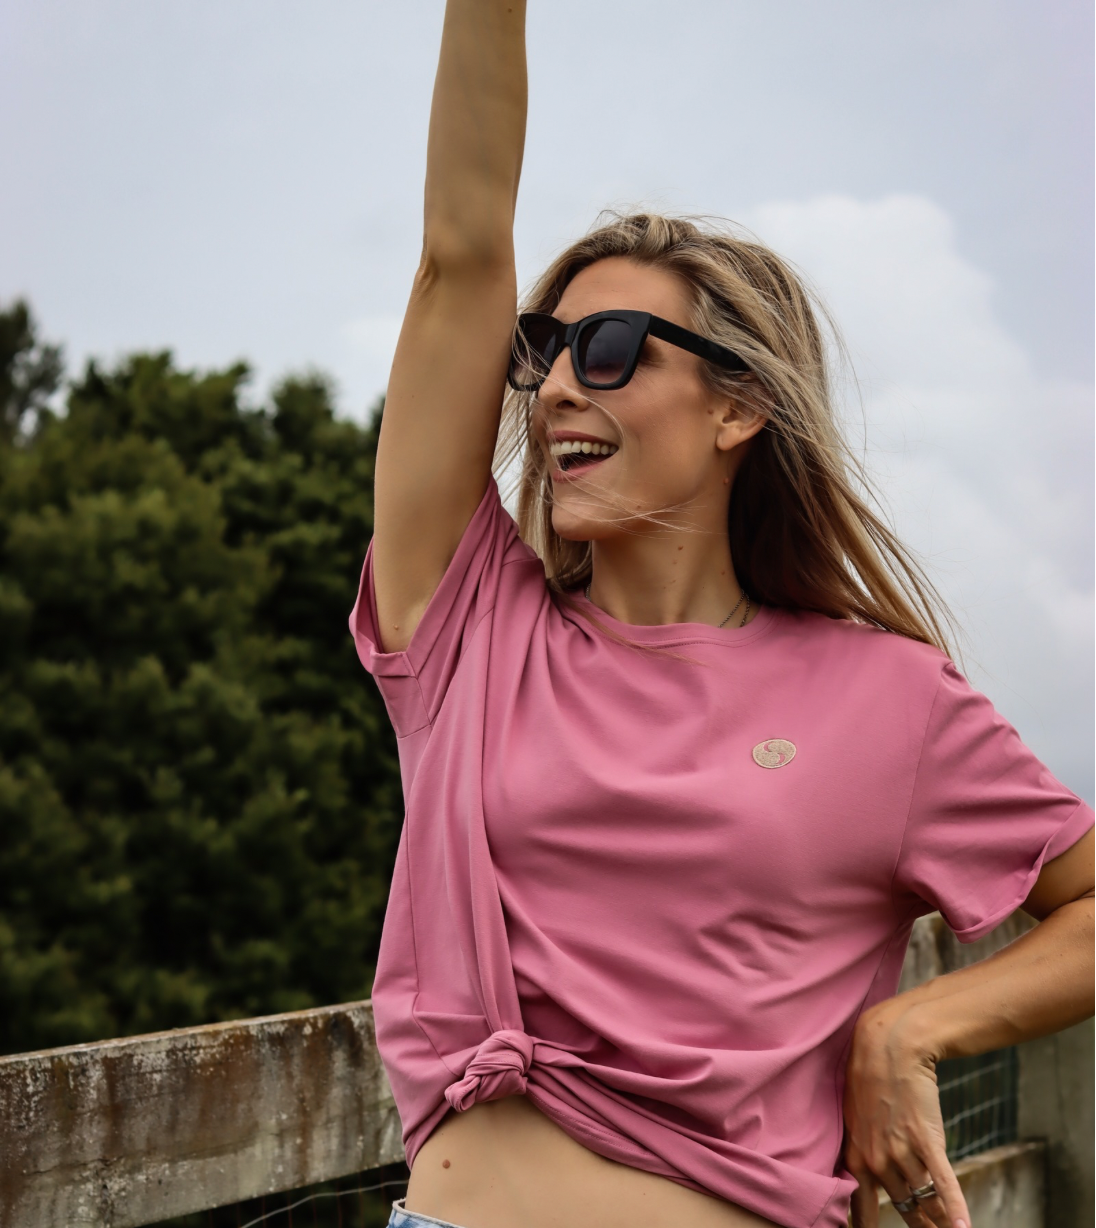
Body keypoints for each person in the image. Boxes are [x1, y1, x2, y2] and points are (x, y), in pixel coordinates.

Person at [350, 3, 1095, 1226]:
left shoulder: (890, 700)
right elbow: (459, 255)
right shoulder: (468, 631)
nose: (555, 387)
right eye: (545, 349)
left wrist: (911, 1028)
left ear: (737, 406)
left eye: (611, 348)